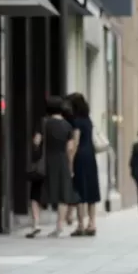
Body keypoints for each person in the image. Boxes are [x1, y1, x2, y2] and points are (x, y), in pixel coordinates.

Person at [33, 96, 79, 237]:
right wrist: (70, 166)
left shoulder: (44, 123)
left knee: (38, 192)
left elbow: (36, 141)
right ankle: (59, 225)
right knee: (62, 194)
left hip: (46, 161)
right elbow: (70, 149)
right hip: (62, 162)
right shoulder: (67, 126)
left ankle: (36, 223)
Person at [66, 93, 102, 237]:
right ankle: (92, 223)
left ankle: (80, 225)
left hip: (80, 157)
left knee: (80, 191)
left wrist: (70, 162)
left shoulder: (77, 122)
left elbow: (75, 142)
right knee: (91, 191)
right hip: (90, 156)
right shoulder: (88, 120)